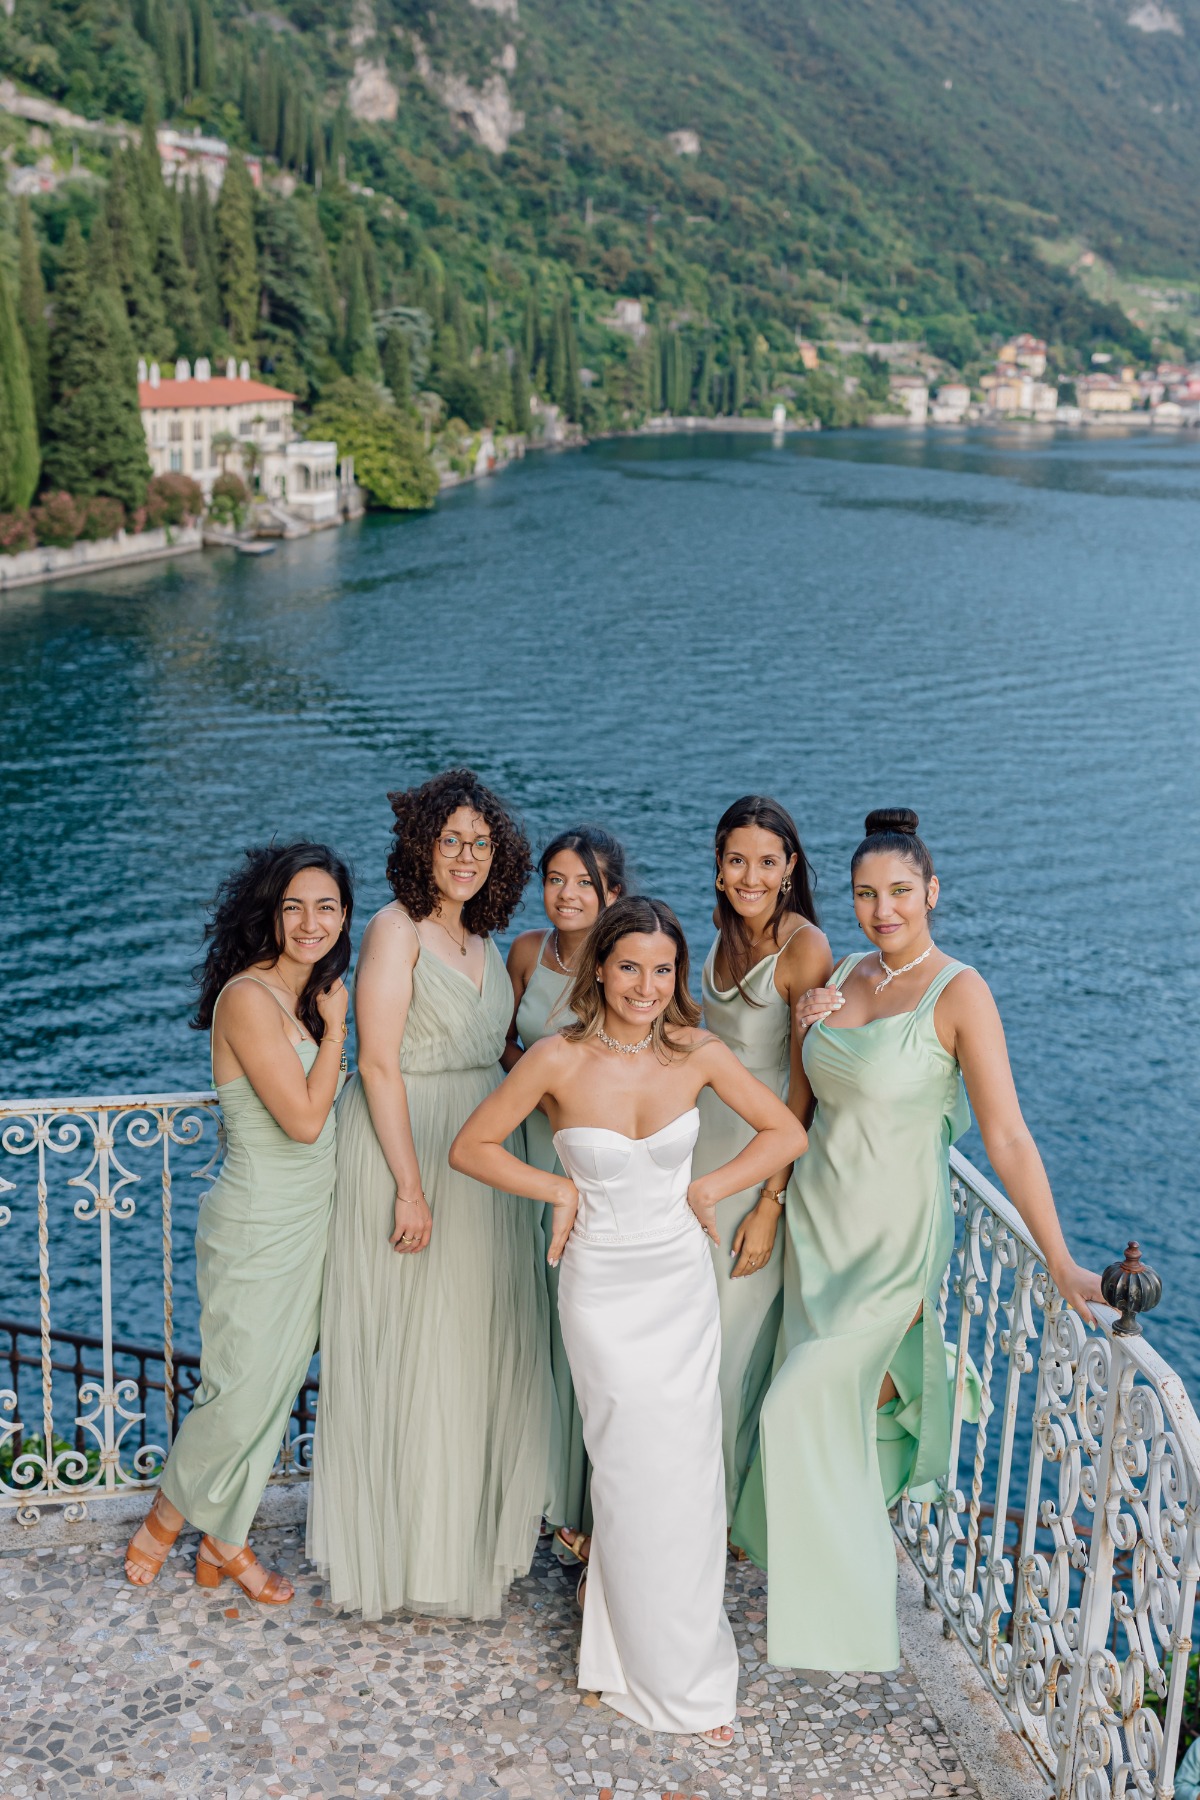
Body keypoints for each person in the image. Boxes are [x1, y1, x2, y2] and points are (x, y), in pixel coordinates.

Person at [731, 808, 1103, 1674]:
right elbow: (805, 1102)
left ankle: (854, 1623)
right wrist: (802, 1033)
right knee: (832, 1418)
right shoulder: (845, 976)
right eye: (866, 894)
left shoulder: (960, 992)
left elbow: (1006, 1137)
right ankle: (824, 1614)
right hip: (817, 1226)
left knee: (800, 1405)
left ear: (931, 891)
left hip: (894, 1237)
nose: (882, 908)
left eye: (900, 891)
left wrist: (1058, 1257)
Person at [450, 896, 807, 1747]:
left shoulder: (697, 1050)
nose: (646, 986)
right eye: (629, 967)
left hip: (681, 1283)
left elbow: (785, 1131)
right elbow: (473, 1148)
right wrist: (562, 1189)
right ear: (599, 969)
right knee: (626, 1471)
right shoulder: (555, 1059)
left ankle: (672, 1670)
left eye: (662, 969)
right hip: (602, 1286)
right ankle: (638, 1663)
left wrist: (712, 1188)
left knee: (685, 1475)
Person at [307, 769, 551, 1621]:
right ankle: (407, 1553)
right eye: (451, 840)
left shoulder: (486, 940)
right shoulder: (393, 930)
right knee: (412, 1350)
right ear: (422, 846)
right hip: (410, 1149)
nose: (466, 857)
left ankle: (463, 1548)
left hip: (482, 1157)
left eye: (481, 843)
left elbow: (508, 1057)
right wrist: (410, 1187)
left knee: (471, 1350)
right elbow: (376, 1060)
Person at [123, 842, 352, 1603]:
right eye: (294, 906)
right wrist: (341, 1031)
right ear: (270, 913)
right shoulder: (250, 1000)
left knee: (276, 1386)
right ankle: (165, 1520)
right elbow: (304, 1121)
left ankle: (224, 1542)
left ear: (344, 917)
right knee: (236, 1389)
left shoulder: (303, 997)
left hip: (308, 1221)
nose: (310, 922)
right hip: (256, 1220)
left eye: (325, 907)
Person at [692, 796, 832, 1522]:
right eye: (737, 860)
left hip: (756, 1167)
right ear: (718, 870)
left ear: (789, 869)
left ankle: (713, 1519)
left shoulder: (805, 947)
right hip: (698, 1157)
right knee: (688, 1339)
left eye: (767, 862)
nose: (751, 875)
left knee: (728, 1352)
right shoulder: (717, 936)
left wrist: (771, 1205)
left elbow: (803, 1086)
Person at [504, 826, 628, 1566]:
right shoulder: (526, 953)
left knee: (589, 1330)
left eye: (584, 882)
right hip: (524, 1153)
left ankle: (594, 1507)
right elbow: (506, 1042)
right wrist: (536, 1083)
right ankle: (542, 1493)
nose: (568, 895)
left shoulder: (625, 962)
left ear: (613, 892)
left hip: (590, 1160)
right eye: (555, 879)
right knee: (535, 1321)